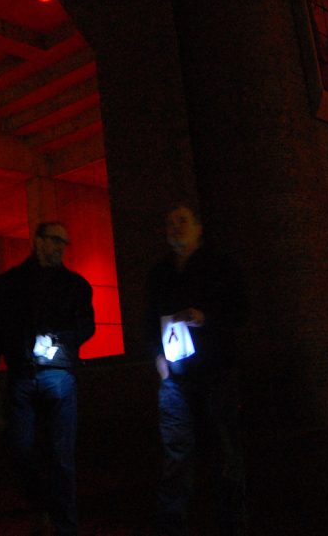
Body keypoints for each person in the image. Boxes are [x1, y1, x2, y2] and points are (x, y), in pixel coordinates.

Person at [0, 221, 95, 536]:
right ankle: (52, 511)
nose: (61, 246)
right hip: (27, 372)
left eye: (64, 241)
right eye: (55, 240)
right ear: (38, 241)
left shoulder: (73, 285)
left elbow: (87, 325)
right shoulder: (11, 284)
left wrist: (60, 340)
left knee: (60, 455)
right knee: (24, 450)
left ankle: (63, 524)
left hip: (53, 374)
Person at [147, 203, 248, 536]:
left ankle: (230, 521)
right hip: (175, 377)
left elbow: (241, 311)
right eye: (169, 222)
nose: (175, 227)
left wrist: (206, 318)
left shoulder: (220, 265)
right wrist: (158, 359)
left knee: (224, 448)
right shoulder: (160, 273)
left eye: (182, 221)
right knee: (176, 451)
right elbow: (149, 320)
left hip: (215, 371)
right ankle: (171, 525)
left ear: (199, 227)